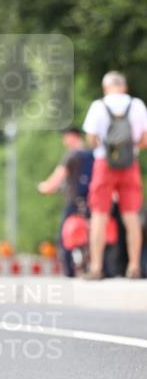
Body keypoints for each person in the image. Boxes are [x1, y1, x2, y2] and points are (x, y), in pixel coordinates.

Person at [82, 71, 147, 279]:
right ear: (124, 87)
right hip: (130, 164)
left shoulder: (98, 106)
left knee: (99, 215)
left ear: (105, 87)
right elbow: (144, 140)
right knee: (132, 216)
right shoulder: (137, 105)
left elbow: (91, 140)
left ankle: (96, 267)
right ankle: (134, 266)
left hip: (104, 164)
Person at [37, 127, 94, 277]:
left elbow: (56, 179)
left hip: (73, 202)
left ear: (71, 137)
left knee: (64, 236)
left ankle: (69, 271)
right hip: (92, 202)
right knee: (93, 232)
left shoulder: (71, 156)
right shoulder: (92, 155)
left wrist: (44, 187)